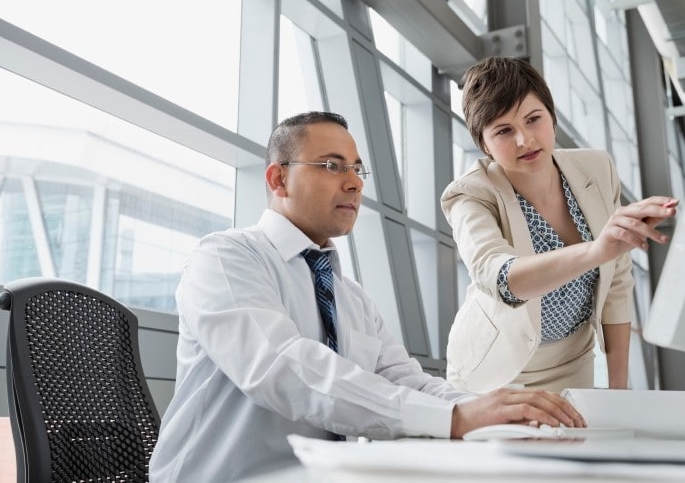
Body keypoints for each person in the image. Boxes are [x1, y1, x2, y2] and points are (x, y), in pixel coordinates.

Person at [149, 111, 585, 481]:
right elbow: (282, 368)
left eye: (358, 169)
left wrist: (488, 406)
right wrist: (451, 419)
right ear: (278, 178)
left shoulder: (349, 296)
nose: (355, 184)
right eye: (333, 166)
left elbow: (404, 379)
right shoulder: (226, 258)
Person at [440, 56, 677, 395]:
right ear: (484, 144)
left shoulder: (597, 168)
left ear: (551, 116)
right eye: (504, 131)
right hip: (497, 372)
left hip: (572, 362)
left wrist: (619, 389)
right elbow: (501, 278)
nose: (525, 140)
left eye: (533, 119)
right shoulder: (469, 195)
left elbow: (618, 285)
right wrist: (596, 251)